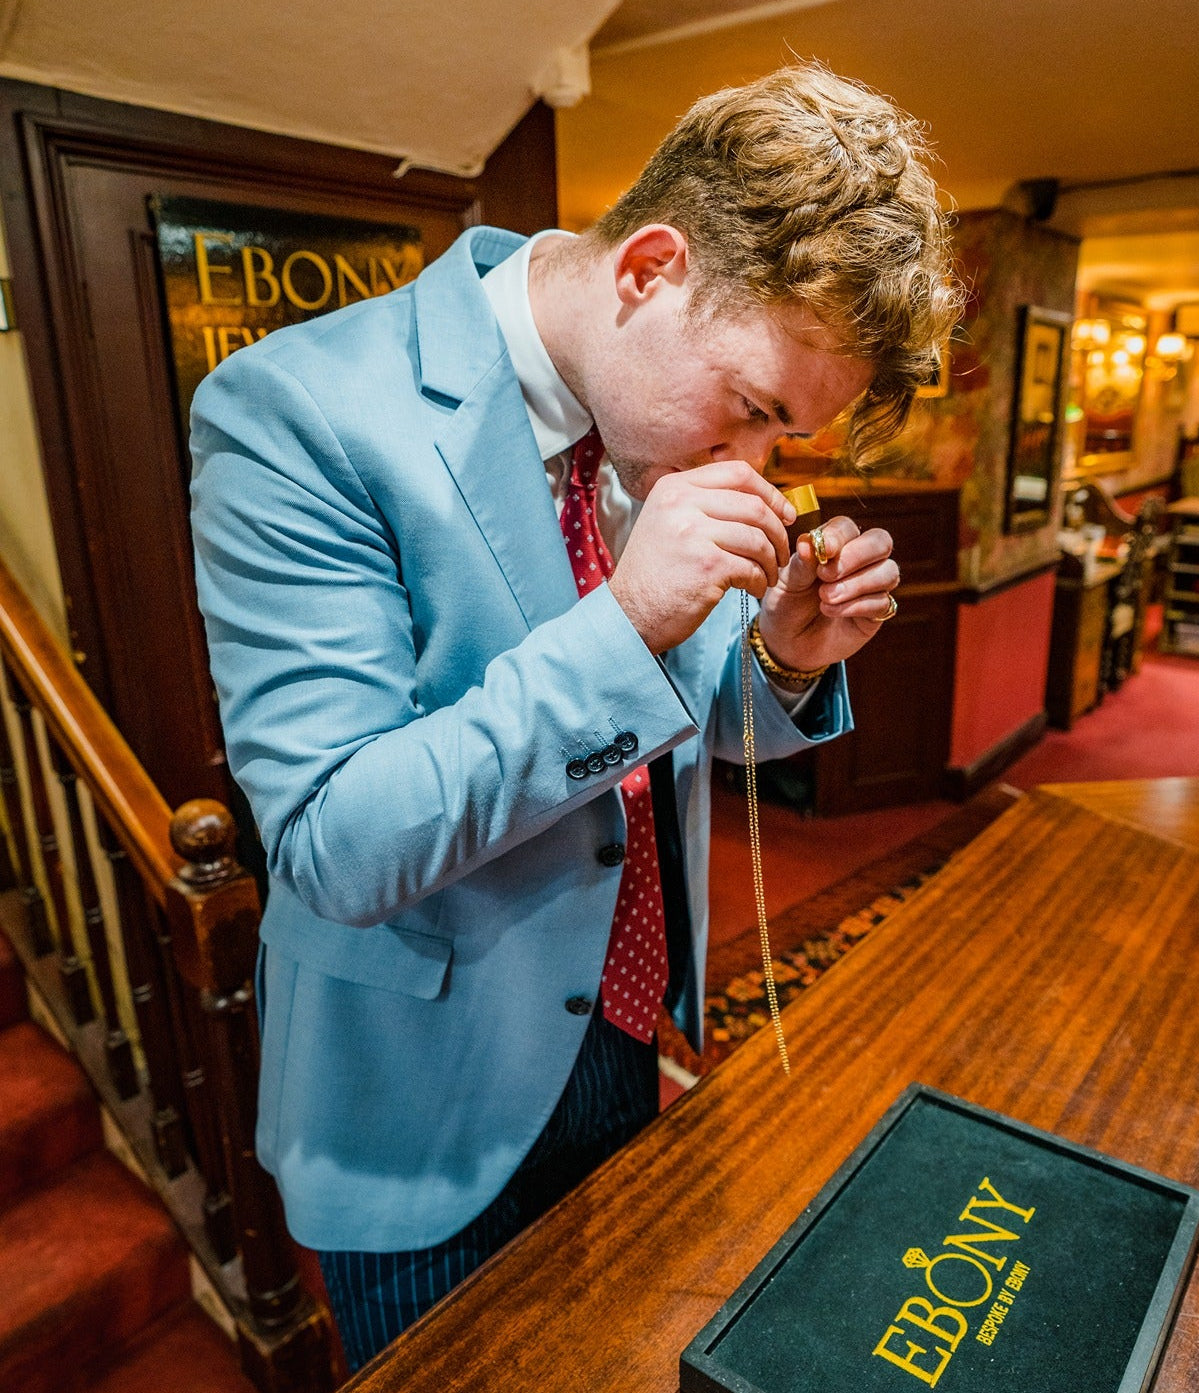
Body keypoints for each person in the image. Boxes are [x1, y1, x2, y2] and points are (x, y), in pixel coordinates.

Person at [189, 63, 958, 1369]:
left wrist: (776, 653)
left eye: (785, 439)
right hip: (423, 1097)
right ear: (650, 268)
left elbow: (680, 729)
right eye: (756, 408)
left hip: (626, 1026)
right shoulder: (295, 412)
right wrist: (626, 626)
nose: (751, 466)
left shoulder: (652, 429)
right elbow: (331, 840)